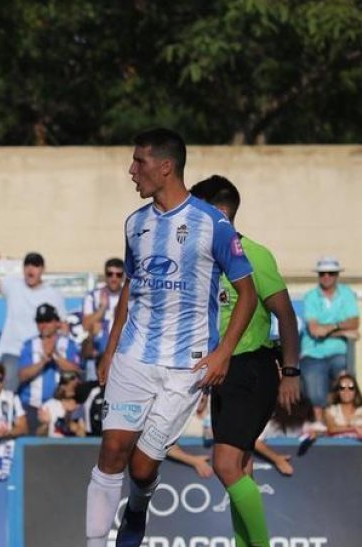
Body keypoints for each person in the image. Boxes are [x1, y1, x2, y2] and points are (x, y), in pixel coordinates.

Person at [85, 128, 257, 547]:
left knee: (143, 468)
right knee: (111, 451)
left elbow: (248, 294)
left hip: (187, 366)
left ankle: (139, 505)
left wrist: (224, 353)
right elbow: (131, 286)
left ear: (165, 167)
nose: (131, 171)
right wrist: (110, 350)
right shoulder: (135, 224)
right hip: (134, 356)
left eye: (139, 162)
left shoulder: (212, 223)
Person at [189, 174, 302, 547]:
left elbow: (285, 315)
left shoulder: (252, 253)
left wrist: (290, 371)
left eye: (197, 208)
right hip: (222, 372)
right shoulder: (206, 257)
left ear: (218, 212)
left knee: (224, 464)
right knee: (241, 467)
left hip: (250, 367)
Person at [0, 250, 66, 394]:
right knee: (8, 395)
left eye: (36, 266)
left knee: (35, 396)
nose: (30, 269)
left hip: (37, 353)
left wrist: (55, 349)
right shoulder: (12, 284)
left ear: (43, 270)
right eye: (27, 265)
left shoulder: (53, 294)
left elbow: (63, 325)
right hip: (12, 351)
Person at [299, 257, 358, 421]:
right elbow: (315, 330)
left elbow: (354, 323)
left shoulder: (346, 293)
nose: (326, 276)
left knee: (346, 384)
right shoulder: (311, 296)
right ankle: (321, 424)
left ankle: (341, 421)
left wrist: (328, 328)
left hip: (339, 353)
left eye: (331, 273)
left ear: (337, 275)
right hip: (313, 353)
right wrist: (342, 329)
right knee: (315, 390)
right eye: (322, 273)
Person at [18, 303, 82, 434]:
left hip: (61, 407)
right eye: (40, 321)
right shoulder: (29, 345)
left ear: (57, 322)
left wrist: (55, 356)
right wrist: (43, 361)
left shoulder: (69, 344)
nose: (43, 325)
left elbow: (76, 371)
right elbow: (22, 375)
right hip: (32, 406)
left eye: (47, 321)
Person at [80, 258, 126, 379]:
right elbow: (85, 325)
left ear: (123, 276)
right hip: (96, 356)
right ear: (105, 275)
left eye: (118, 274)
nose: (114, 278)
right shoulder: (93, 296)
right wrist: (101, 309)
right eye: (110, 274)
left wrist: (120, 314)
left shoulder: (129, 297)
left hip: (121, 356)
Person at [324, 374, 362, 439]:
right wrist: (354, 428)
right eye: (342, 388)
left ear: (355, 391)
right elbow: (331, 429)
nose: (346, 391)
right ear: (338, 392)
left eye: (351, 388)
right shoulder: (330, 411)